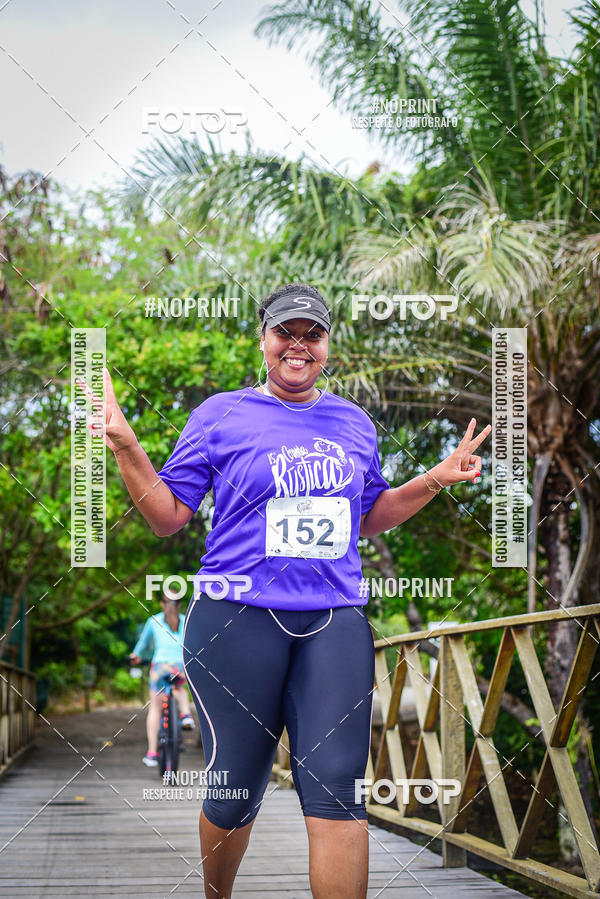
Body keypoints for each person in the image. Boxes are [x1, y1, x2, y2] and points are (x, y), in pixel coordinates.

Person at [85, 282, 490, 899]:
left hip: (335, 621)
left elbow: (368, 514)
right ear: (264, 339)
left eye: (313, 335)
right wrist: (125, 444)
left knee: (337, 788)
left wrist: (433, 479)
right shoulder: (219, 414)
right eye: (286, 333)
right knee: (237, 785)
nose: (298, 346)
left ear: (327, 344)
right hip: (235, 621)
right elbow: (168, 516)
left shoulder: (353, 422)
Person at [129, 588, 195, 767]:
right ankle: (186, 715)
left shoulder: (153, 621)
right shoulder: (186, 621)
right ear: (180, 604)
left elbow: (142, 646)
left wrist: (135, 656)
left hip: (159, 667)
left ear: (161, 604)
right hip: (179, 667)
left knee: (155, 709)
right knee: (179, 688)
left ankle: (151, 753)